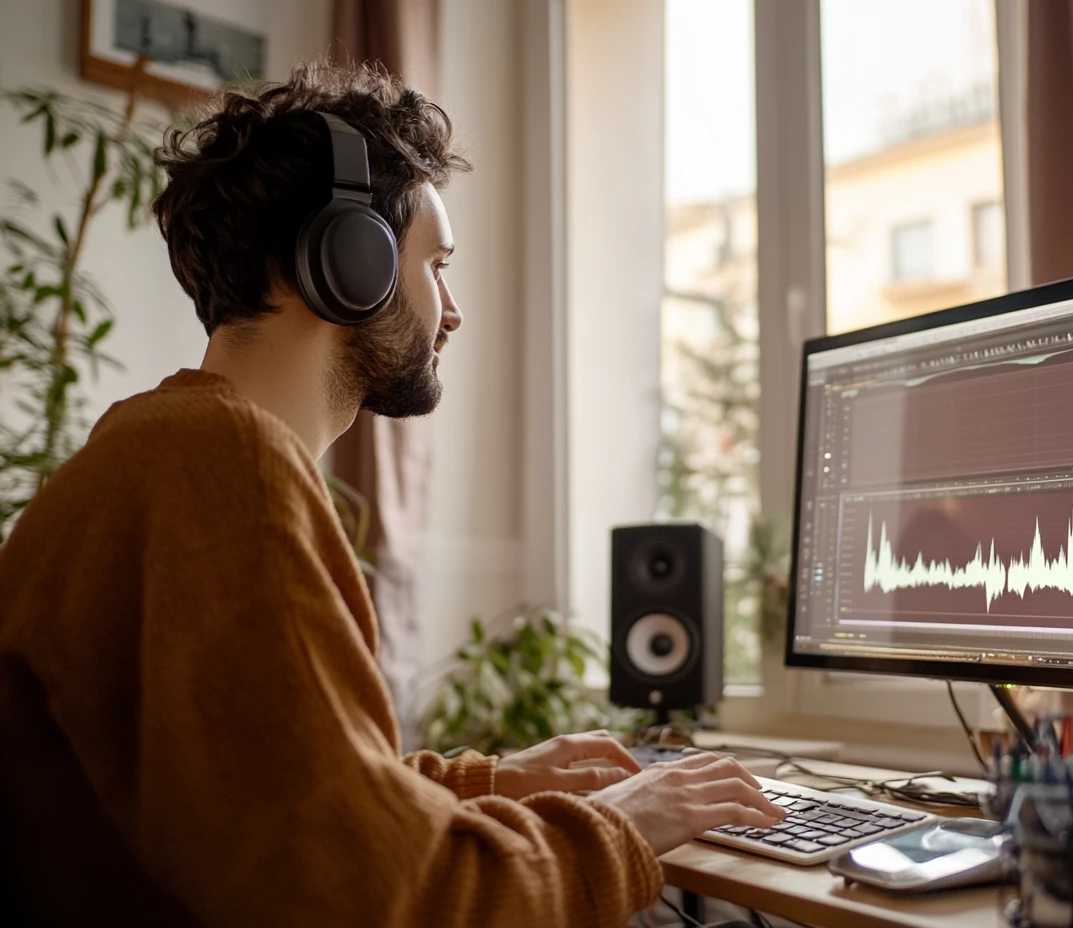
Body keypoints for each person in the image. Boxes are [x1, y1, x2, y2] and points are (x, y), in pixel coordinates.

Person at [0, 60, 784, 927]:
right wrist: (622, 825)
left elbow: (271, 806)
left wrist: (494, 782)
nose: (451, 311)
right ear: (349, 261)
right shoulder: (224, 467)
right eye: (436, 266)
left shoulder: (155, 445)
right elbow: (370, 900)